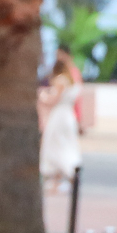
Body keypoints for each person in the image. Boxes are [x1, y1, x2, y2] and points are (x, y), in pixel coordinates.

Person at [39, 48, 83, 204]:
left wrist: (42, 97)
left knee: (57, 146)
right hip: (68, 116)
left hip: (59, 117)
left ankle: (69, 172)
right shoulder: (73, 80)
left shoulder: (60, 81)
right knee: (64, 145)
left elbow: (53, 100)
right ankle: (56, 182)